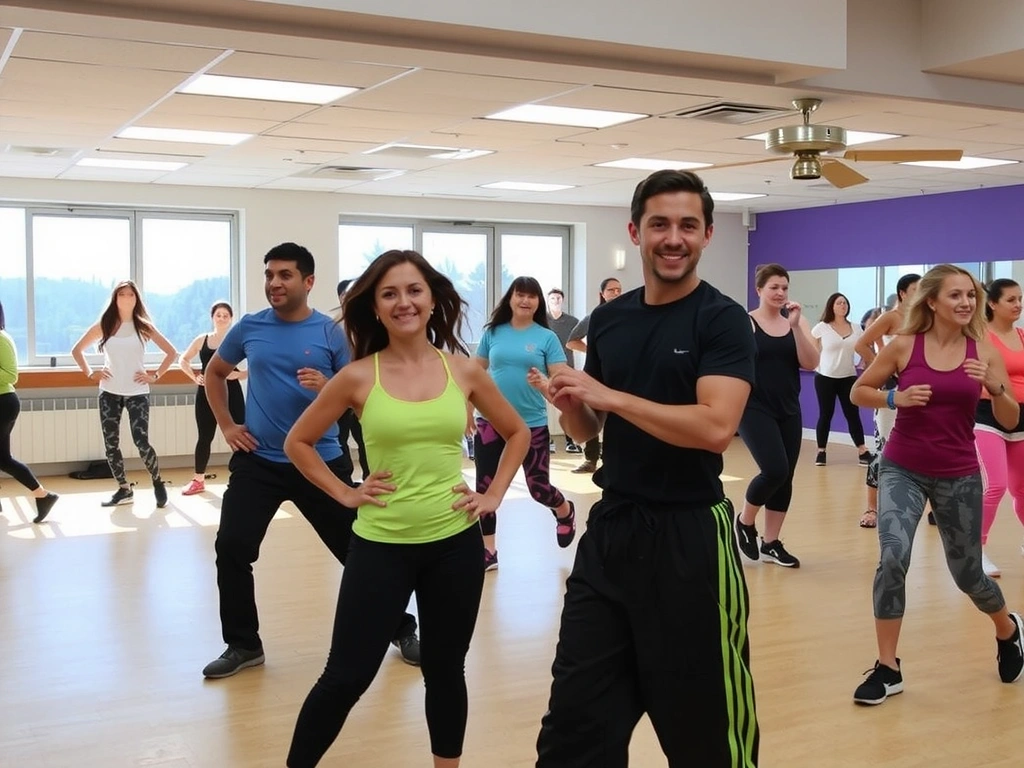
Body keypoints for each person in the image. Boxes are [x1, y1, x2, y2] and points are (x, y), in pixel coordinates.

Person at [536, 170, 758, 767]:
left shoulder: (722, 320)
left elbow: (716, 428)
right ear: (636, 231)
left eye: (688, 225)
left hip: (690, 537)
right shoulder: (610, 319)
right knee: (574, 731)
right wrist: (576, 408)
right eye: (660, 223)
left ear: (708, 234)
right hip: (611, 532)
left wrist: (611, 398)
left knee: (705, 733)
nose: (673, 237)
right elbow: (594, 431)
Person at [283, 249, 530, 768]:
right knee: (346, 676)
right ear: (374, 307)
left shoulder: (463, 371)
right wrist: (347, 493)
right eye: (389, 293)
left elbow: (516, 433)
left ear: (432, 298)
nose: (403, 302)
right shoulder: (356, 376)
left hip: (454, 545)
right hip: (380, 545)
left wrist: (491, 497)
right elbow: (299, 442)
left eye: (413, 290)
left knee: (445, 670)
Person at [200, 242, 419, 679]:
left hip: (320, 460)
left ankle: (401, 629)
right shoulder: (249, 327)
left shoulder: (329, 333)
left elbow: (361, 398)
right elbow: (215, 374)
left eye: (284, 275)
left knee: (359, 552)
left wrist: (328, 387)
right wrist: (227, 425)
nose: (274, 283)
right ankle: (243, 644)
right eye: (269, 275)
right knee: (232, 547)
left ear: (308, 282)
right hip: (259, 460)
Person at [849, 264, 1023, 706]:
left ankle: (1008, 629)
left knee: (967, 574)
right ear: (931, 301)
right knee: (893, 557)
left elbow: (1010, 418)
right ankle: (888, 668)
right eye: (955, 295)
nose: (966, 302)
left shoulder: (983, 349)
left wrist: (997, 389)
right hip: (901, 467)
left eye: (971, 295)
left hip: (958, 471)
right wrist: (894, 397)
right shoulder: (905, 346)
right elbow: (859, 391)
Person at [474, 276, 576, 571]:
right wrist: (468, 407)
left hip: (532, 424)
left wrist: (545, 383)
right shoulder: (493, 333)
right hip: (490, 422)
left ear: (538, 302)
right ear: (510, 298)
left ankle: (564, 510)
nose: (525, 300)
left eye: (532, 296)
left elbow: (560, 380)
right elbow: (475, 372)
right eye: (520, 295)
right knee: (485, 488)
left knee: (538, 488)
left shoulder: (546, 337)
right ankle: (489, 550)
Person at [734, 263, 819, 568]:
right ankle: (745, 521)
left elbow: (810, 363)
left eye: (784, 287)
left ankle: (771, 543)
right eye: (774, 287)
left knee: (786, 479)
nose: (781, 293)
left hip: (789, 408)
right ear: (759, 290)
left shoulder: (797, 322)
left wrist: (795, 326)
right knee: (774, 470)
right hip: (754, 407)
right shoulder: (745, 323)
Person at [71, 280, 177, 508]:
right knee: (111, 444)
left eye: (131, 295)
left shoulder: (143, 325)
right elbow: (77, 350)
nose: (127, 298)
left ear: (136, 299)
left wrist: (155, 375)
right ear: (115, 298)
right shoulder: (105, 324)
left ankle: (157, 482)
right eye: (122, 294)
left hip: (137, 392)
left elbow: (171, 352)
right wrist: (90, 373)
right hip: (109, 392)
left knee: (142, 442)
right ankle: (123, 489)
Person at [855, 274, 922, 529]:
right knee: (885, 447)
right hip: (890, 389)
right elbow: (862, 344)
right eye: (916, 289)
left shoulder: (923, 319)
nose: (921, 293)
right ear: (903, 293)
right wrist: (881, 367)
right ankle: (872, 507)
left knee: (918, 446)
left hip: (915, 388)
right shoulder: (890, 318)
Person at [975, 278, 1024, 577]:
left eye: (1020, 299)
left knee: (1022, 488)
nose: (1018, 304)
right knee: (996, 485)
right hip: (986, 413)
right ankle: (976, 551)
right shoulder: (981, 337)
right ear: (992, 303)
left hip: (1021, 415)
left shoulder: (1022, 335)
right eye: (1011, 299)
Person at [178, 301, 247, 496]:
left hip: (232, 392)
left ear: (231, 318)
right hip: (206, 392)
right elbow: (183, 359)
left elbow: (258, 360)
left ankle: (244, 478)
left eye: (226, 315)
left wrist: (239, 375)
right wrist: (194, 376)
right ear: (212, 318)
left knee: (239, 435)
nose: (222, 318)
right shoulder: (203, 339)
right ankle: (198, 480)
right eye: (219, 315)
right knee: (205, 436)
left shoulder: (237, 338)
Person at [0, 300, 59, 523]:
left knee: (3, 459)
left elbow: (11, 376)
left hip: (3, 402)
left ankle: (43, 495)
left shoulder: (1, 338)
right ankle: (43, 495)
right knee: (3, 459)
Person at [565, 277, 622, 473]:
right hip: (596, 374)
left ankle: (614, 459)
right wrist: (594, 352)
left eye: (618, 290)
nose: (616, 293)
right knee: (590, 415)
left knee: (619, 417)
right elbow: (571, 342)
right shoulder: (594, 317)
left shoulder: (628, 316)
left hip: (620, 376)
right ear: (602, 294)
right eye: (611, 290)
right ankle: (591, 459)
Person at [811, 292, 872, 466]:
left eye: (845, 303)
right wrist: (816, 363)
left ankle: (862, 451)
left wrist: (862, 362)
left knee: (852, 414)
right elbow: (811, 346)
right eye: (839, 303)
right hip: (824, 377)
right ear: (832, 306)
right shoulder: (822, 327)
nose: (843, 306)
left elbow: (864, 347)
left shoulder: (856, 328)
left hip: (848, 377)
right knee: (826, 414)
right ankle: (821, 452)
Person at [335, 279, 370, 480]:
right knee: (339, 439)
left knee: (365, 438)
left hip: (364, 394)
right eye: (345, 295)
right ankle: (345, 479)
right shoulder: (333, 328)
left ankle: (369, 476)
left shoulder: (369, 326)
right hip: (340, 393)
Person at [545, 288, 580, 453]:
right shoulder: (541, 321)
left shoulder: (573, 322)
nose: (556, 301)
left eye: (558, 298)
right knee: (543, 406)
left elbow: (577, 341)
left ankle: (570, 441)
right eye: (553, 298)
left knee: (566, 405)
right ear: (548, 300)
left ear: (563, 300)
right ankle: (548, 440)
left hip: (566, 368)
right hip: (544, 369)